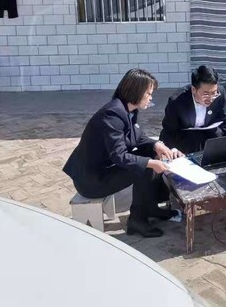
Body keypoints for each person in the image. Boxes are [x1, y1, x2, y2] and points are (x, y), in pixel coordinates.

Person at [63, 69, 183, 239]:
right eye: (148, 93)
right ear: (136, 91)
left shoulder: (129, 109)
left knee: (149, 153)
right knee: (145, 167)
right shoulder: (112, 115)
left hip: (104, 169)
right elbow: (119, 156)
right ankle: (137, 220)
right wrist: (151, 163)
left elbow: (137, 137)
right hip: (91, 180)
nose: (151, 98)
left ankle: (150, 207)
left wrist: (157, 144)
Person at [159, 65, 226, 155]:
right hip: (186, 137)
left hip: (210, 134)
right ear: (194, 89)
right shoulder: (177, 101)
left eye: (214, 93)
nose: (210, 98)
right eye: (206, 94)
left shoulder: (220, 93)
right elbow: (169, 130)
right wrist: (173, 149)